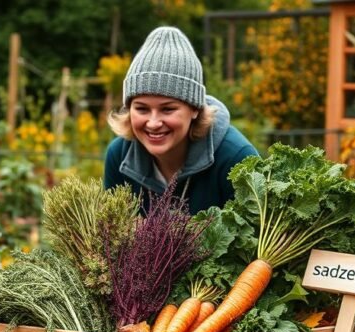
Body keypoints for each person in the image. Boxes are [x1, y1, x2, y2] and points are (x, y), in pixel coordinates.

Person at [103, 26, 258, 213]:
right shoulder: (119, 156)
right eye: (142, 109)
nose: (153, 123)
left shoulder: (236, 159)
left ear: (194, 108)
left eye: (167, 109)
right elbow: (112, 235)